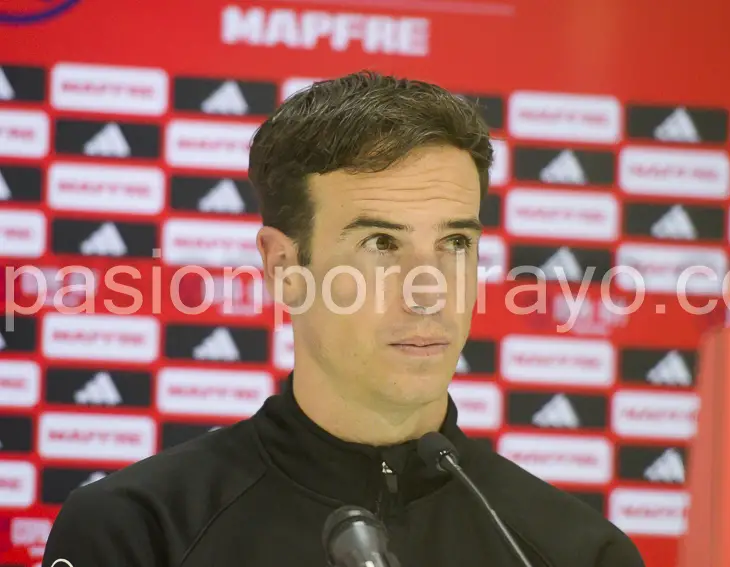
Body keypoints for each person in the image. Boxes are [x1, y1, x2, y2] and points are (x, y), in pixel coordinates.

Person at [42, 71, 645, 567]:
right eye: (381, 244)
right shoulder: (135, 533)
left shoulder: (577, 552)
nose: (429, 290)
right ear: (284, 267)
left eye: (455, 244)